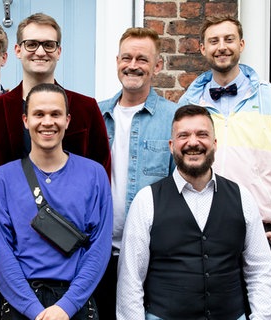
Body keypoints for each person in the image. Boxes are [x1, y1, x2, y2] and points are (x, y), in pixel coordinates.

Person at [177, 15, 271, 318]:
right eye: (213, 41)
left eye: (228, 39)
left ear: (242, 44)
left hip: (259, 235)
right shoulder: (189, 103)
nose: (221, 47)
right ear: (201, 48)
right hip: (200, 234)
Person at [116, 104, 271, 320]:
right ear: (172, 145)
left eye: (202, 134)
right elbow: (130, 280)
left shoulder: (242, 198)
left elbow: (260, 268)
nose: (193, 142)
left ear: (215, 143)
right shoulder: (146, 201)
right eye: (184, 135)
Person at [0, 83, 112, 320]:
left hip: (76, 304)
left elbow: (99, 248)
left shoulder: (94, 174)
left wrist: (67, 306)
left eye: (55, 114)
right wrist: (34, 311)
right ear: (25, 120)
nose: (47, 122)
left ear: (67, 120)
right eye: (38, 114)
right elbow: (1, 253)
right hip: (21, 305)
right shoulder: (2, 178)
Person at [0, 12, 111, 197]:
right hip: (7, 221)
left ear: (58, 52)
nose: (40, 52)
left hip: (72, 222)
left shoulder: (86, 108)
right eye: (31, 44)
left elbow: (102, 170)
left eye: (49, 45)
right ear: (18, 50)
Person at [95, 27, 177, 320]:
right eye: (126, 57)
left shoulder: (174, 118)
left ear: (157, 66)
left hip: (152, 255)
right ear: (117, 61)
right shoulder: (94, 114)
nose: (132, 65)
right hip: (98, 253)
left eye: (142, 59)